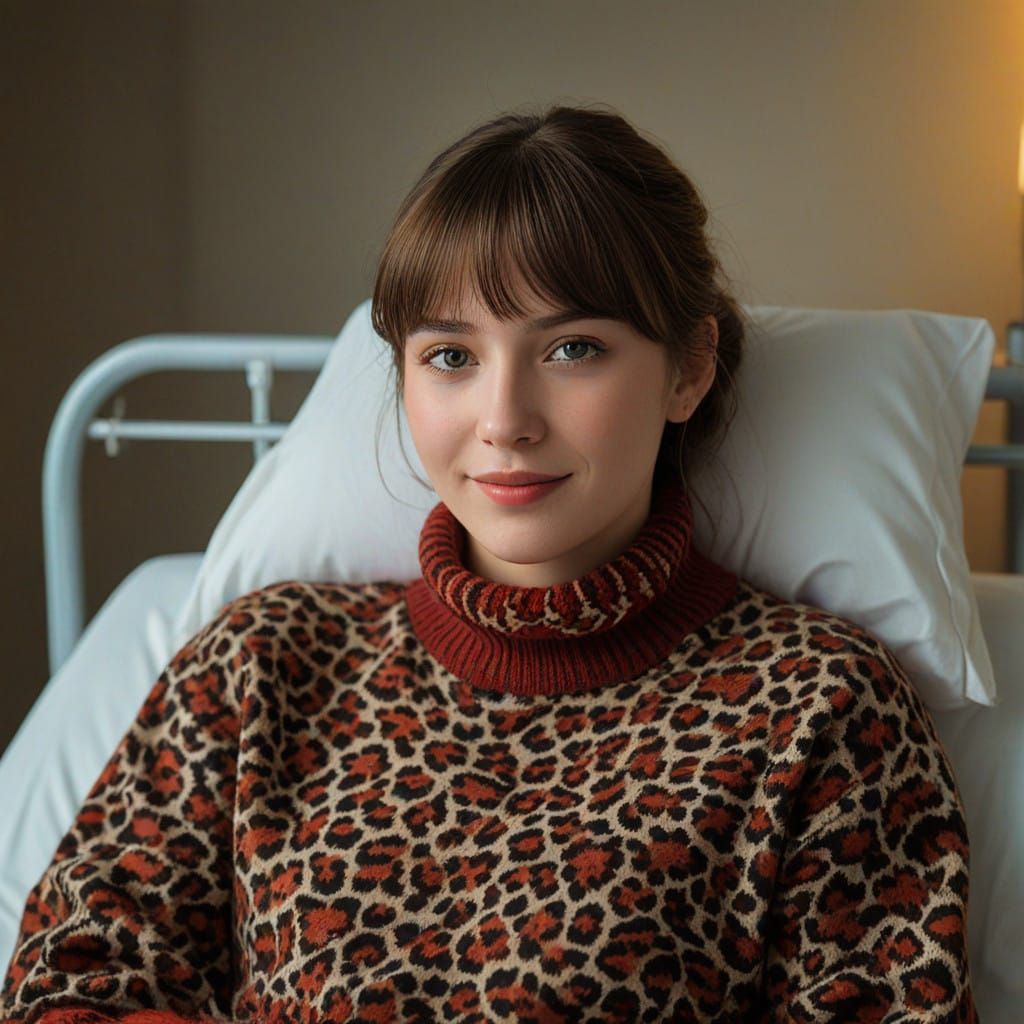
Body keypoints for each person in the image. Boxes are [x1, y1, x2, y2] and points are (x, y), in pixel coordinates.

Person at [1, 103, 977, 1023]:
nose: (504, 421)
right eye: (452, 357)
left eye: (572, 348)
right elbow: (66, 985)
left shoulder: (814, 704)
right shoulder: (262, 667)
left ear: (688, 368)